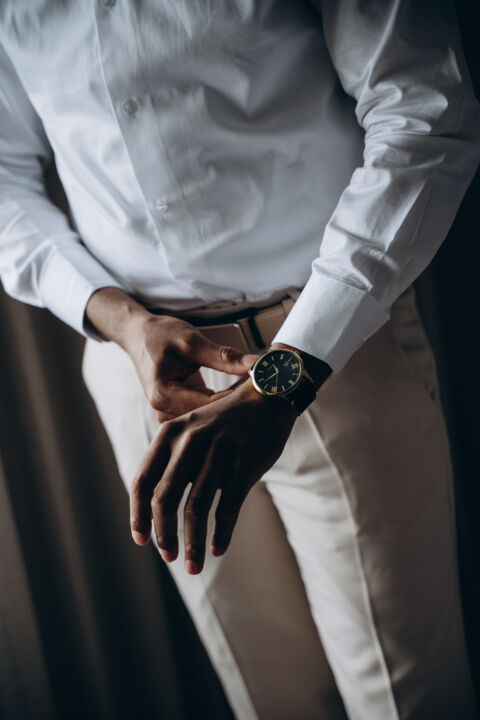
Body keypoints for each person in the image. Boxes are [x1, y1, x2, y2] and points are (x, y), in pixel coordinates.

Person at [1, 1, 479, 718]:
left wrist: (288, 374)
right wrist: (122, 322)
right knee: (264, 697)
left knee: (403, 697)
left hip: (335, 354)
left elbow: (424, 114)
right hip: (141, 380)